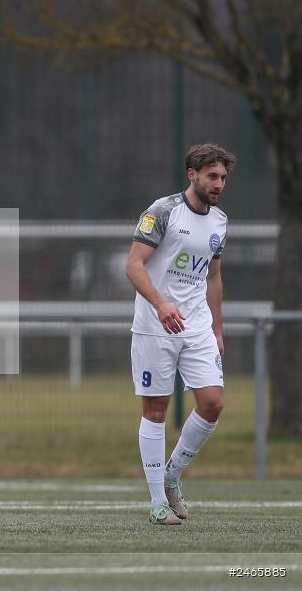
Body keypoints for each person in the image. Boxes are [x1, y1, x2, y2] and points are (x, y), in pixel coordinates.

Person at [125, 143, 234, 525]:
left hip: (198, 326)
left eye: (223, 177)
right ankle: (157, 503)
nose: (219, 183)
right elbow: (134, 265)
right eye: (212, 176)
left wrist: (218, 328)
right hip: (156, 325)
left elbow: (214, 278)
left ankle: (172, 474)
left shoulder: (220, 221)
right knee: (156, 409)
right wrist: (160, 303)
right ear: (193, 174)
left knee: (213, 403)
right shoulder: (163, 211)